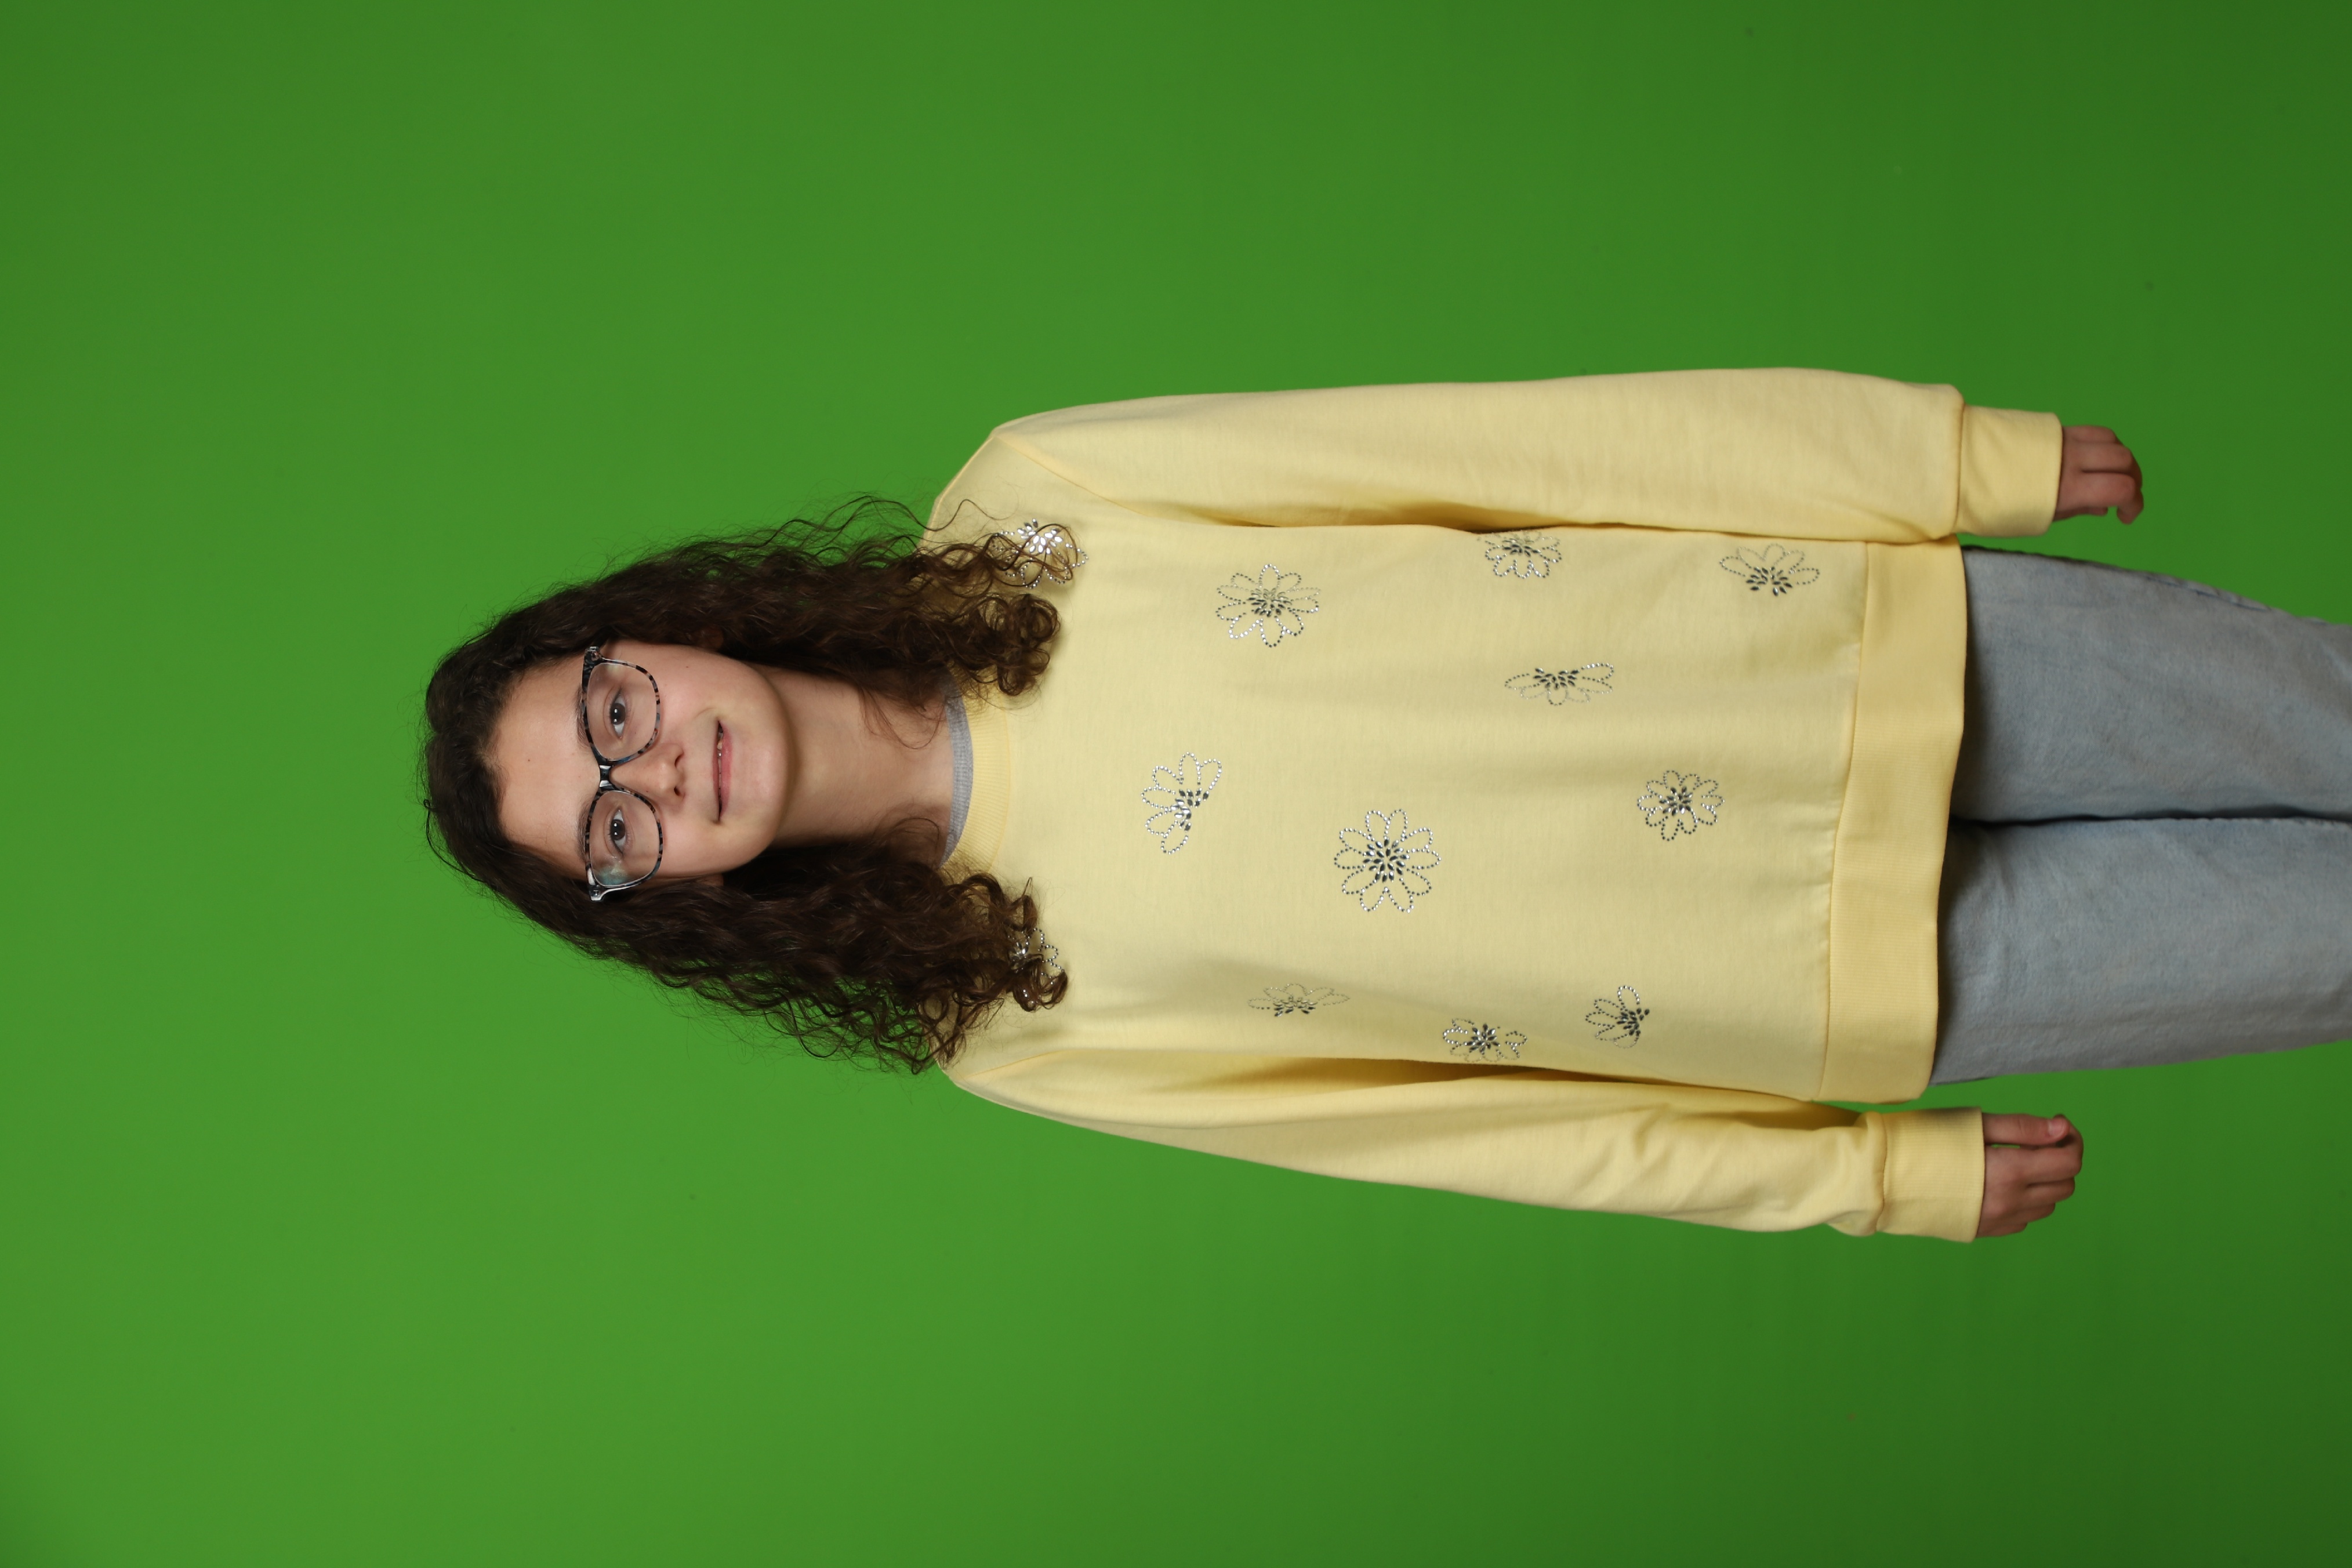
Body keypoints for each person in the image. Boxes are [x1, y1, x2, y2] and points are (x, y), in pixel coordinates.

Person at [423, 369, 2351, 1243]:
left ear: (651, 632)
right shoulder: (1005, 1022)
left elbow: (1509, 443)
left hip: (1875, 650)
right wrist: (1860, 1181)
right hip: (1868, 974)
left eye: (613, 715)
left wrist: (1928, 457)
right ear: (666, 896)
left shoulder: (1038, 505)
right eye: (614, 831)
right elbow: (1461, 1133)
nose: (656, 773)